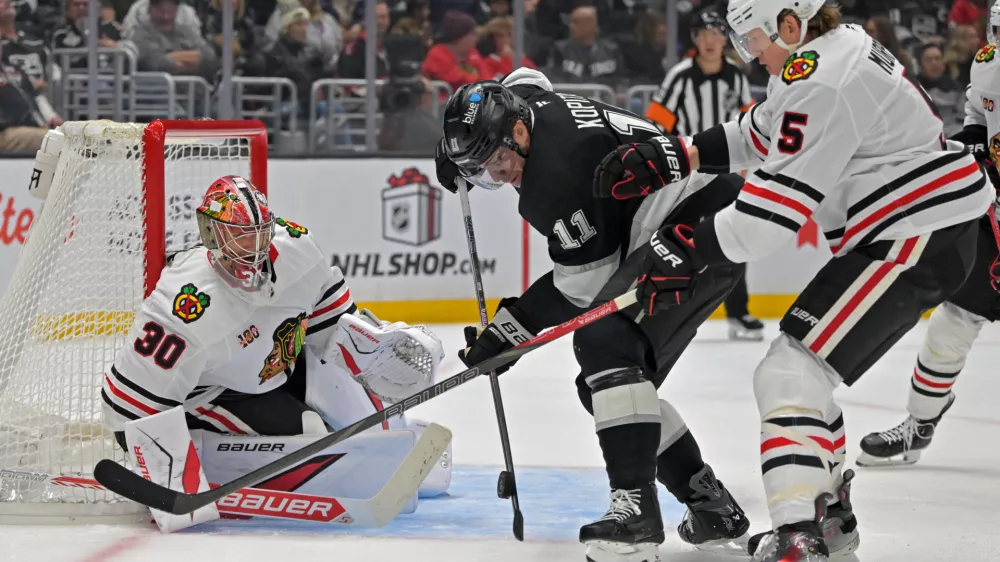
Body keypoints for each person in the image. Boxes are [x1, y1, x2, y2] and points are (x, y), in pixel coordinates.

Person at [592, 2, 992, 560]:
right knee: (801, 372)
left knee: (789, 374)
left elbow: (767, 218)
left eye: (751, 38)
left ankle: (797, 532)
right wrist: (678, 154)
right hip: (925, 227)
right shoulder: (827, 53)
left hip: (915, 232)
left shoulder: (821, 80)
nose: (748, 53)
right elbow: (763, 129)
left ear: (790, 24)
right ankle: (827, 519)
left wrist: (685, 250)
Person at [436, 69, 751, 562]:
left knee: (604, 343)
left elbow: (585, 290)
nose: (499, 176)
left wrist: (509, 331)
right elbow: (525, 78)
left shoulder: (554, 177)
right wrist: (458, 149)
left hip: (697, 226)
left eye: (497, 161)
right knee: (607, 391)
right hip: (700, 209)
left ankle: (637, 518)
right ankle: (710, 507)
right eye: (484, 171)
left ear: (519, 133)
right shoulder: (529, 106)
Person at [100, 175, 452, 532]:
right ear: (211, 235)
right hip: (222, 393)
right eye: (238, 236)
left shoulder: (298, 247)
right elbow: (126, 407)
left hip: (279, 363)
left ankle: (401, 436)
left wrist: (371, 343)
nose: (252, 249)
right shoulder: (184, 308)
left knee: (380, 425)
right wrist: (170, 475)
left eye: (258, 233)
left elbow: (331, 322)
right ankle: (212, 449)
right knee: (313, 440)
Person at [856, 3, 1000, 468]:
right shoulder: (988, 63)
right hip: (996, 213)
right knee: (954, 320)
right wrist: (975, 143)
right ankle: (919, 424)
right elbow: (978, 113)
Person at [644, 9, 762, 341]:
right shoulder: (680, 76)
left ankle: (738, 311)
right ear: (695, 38)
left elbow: (750, 124)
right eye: (704, 33)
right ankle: (668, 308)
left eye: (717, 33)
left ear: (726, 38)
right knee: (676, 239)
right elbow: (655, 126)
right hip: (687, 175)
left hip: (727, 172)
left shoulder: (736, 77)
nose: (711, 40)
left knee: (735, 237)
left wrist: (744, 164)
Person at [129, 0, 219, 78]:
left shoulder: (185, 31)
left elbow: (209, 56)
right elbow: (156, 64)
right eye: (161, 11)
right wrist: (193, 59)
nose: (166, 16)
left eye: (170, 11)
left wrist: (174, 57)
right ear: (149, 10)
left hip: (194, 93)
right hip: (157, 93)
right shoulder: (141, 34)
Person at [543, 4, 625, 87]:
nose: (570, 26)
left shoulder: (612, 51)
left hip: (602, 98)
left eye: (576, 22)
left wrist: (620, 91)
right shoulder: (560, 50)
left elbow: (621, 79)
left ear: (591, 25)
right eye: (570, 22)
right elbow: (553, 78)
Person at [421, 10, 491, 90]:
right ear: (460, 36)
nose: (477, 36)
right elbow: (458, 81)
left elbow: (487, 78)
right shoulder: (438, 54)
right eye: (473, 33)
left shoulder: (472, 52)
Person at [916, 42, 964, 136]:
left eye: (937, 59)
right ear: (921, 65)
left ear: (943, 63)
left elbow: (962, 118)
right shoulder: (912, 88)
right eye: (928, 60)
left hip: (950, 134)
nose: (934, 63)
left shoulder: (956, 88)